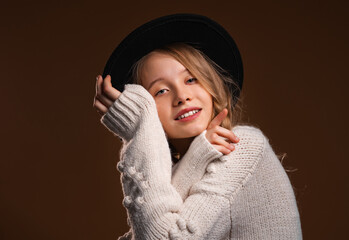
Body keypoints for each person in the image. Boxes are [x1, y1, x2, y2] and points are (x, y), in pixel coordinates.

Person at [93, 14, 302, 240]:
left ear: (211, 83)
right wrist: (196, 156)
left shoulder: (242, 147)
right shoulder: (188, 163)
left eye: (191, 79)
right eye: (160, 91)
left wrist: (141, 128)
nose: (182, 96)